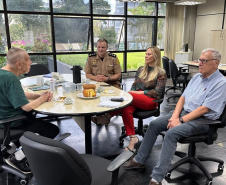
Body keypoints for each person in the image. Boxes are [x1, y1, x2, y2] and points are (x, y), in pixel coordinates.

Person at [122, 48, 226, 185]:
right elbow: (182, 98)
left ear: (216, 63)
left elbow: (204, 109)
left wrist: (180, 121)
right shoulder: (196, 77)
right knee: (153, 125)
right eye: (200, 60)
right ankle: (139, 161)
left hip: (202, 121)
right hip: (183, 114)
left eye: (204, 61)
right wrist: (175, 116)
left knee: (171, 133)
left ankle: (156, 179)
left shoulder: (221, 83)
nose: (200, 63)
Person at [91, 46, 167, 152]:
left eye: (149, 54)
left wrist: (137, 93)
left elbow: (158, 93)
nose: (146, 56)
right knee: (126, 107)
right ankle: (133, 138)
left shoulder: (161, 73)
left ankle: (107, 116)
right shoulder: (141, 69)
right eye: (146, 54)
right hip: (136, 99)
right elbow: (134, 85)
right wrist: (133, 92)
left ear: (155, 56)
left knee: (127, 97)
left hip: (151, 101)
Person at [0, 47, 59, 173]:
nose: (31, 62)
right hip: (13, 122)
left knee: (33, 118)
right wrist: (43, 99)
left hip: (2, 119)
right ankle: (18, 158)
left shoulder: (2, 73)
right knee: (51, 129)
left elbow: (21, 94)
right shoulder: (11, 78)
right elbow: (26, 107)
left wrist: (39, 95)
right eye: (27, 59)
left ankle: (11, 148)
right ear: (18, 64)